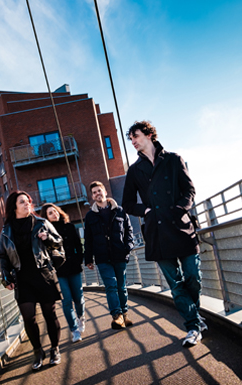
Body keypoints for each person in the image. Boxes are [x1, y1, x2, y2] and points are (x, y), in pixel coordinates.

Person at [122, 120, 206, 347]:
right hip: (157, 233)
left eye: (136, 136)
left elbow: (189, 190)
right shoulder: (134, 170)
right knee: (176, 285)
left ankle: (195, 318)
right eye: (130, 139)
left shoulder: (173, 159)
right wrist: (146, 210)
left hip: (181, 227)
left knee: (193, 278)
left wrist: (179, 210)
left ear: (149, 135)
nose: (133, 142)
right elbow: (128, 203)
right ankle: (193, 326)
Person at [0, 191, 63, 370]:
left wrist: (47, 238)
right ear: (14, 207)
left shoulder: (41, 223)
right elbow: (2, 256)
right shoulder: (6, 230)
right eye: (22, 202)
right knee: (28, 317)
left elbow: (58, 242)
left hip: (43, 275)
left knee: (50, 314)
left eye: (28, 202)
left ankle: (55, 349)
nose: (27, 205)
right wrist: (6, 277)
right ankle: (37, 351)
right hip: (22, 278)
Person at [84, 181, 135, 329]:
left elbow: (129, 231)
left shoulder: (120, 211)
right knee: (111, 285)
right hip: (102, 257)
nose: (97, 194)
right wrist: (88, 258)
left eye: (99, 191)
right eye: (94, 192)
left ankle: (125, 314)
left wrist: (128, 247)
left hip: (120, 254)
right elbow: (88, 239)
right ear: (92, 196)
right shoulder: (90, 216)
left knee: (121, 286)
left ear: (105, 192)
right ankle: (117, 316)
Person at [41, 203, 86, 343]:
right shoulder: (45, 234)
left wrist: (79, 259)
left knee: (78, 298)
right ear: (46, 217)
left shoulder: (70, 227)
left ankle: (81, 316)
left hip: (73, 267)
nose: (54, 214)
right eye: (50, 213)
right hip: (58, 271)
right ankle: (74, 331)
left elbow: (78, 246)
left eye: (55, 211)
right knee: (66, 301)